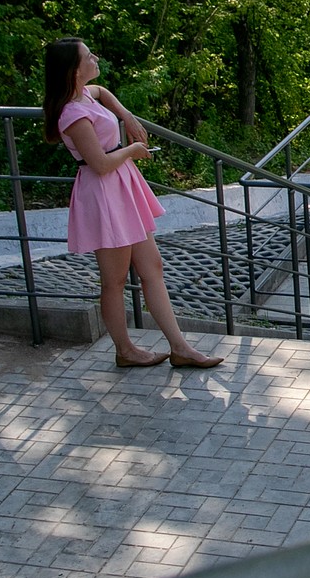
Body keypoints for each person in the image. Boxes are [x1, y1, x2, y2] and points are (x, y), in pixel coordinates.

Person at [43, 37, 223, 370]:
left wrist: (126, 116)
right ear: (73, 69)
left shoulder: (86, 94)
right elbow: (98, 163)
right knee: (114, 280)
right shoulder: (72, 113)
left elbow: (105, 93)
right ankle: (125, 350)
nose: (95, 57)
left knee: (152, 267)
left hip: (121, 189)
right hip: (104, 194)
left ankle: (180, 348)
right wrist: (132, 151)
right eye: (88, 56)